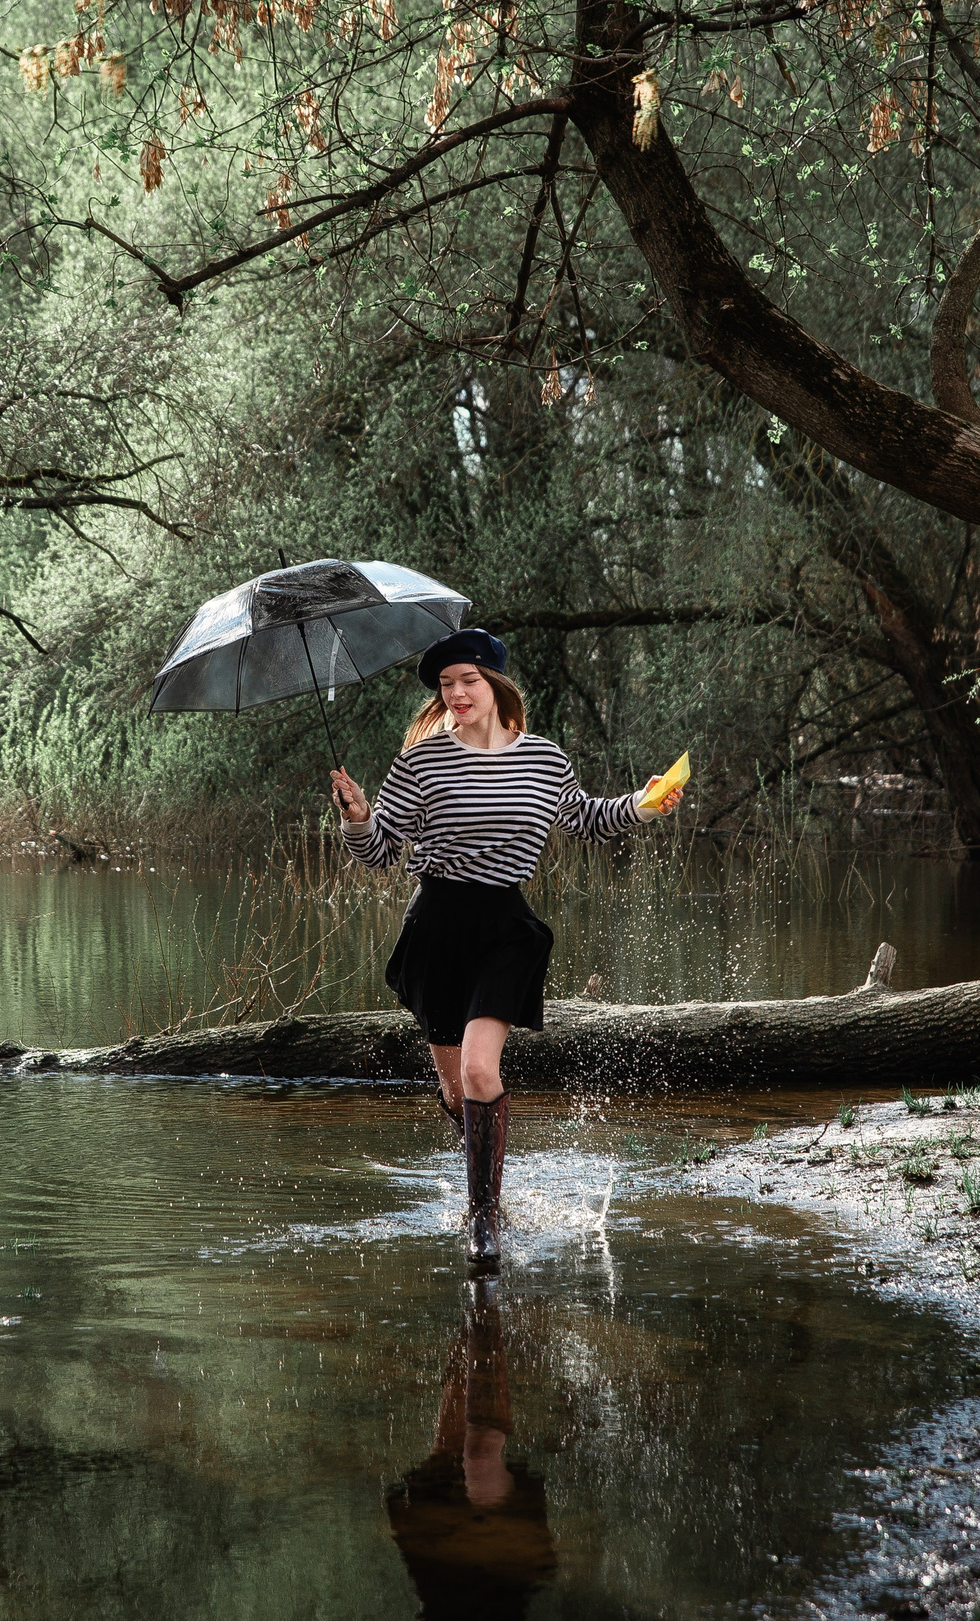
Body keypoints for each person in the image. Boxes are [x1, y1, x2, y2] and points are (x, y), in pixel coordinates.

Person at [330, 628, 682, 1270]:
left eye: (468, 680)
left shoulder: (543, 758)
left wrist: (644, 804)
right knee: (453, 1087)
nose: (457, 693)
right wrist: (357, 818)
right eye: (446, 685)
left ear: (495, 685)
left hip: (505, 927)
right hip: (436, 928)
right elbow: (379, 854)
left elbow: (585, 818)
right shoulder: (421, 763)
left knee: (478, 1071)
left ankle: (483, 1221)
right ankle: (488, 1181)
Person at [386, 1282, 557, 1619]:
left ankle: (480, 1296)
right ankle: (485, 1293)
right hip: (494, 1579)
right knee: (479, 1454)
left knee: (452, 1445)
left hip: (442, 1567)